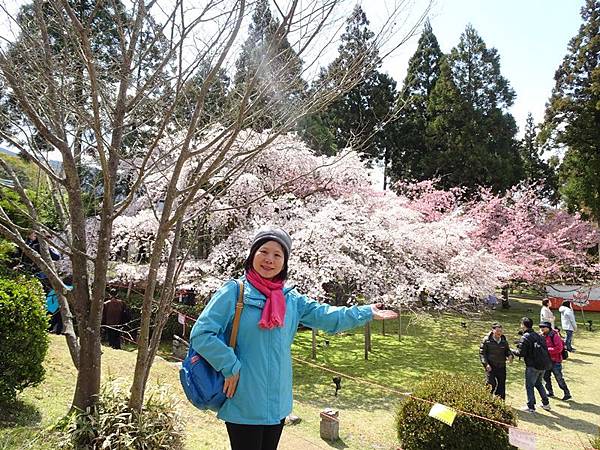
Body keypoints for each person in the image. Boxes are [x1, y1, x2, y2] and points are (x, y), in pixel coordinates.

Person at [190, 228, 398, 450]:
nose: (269, 259)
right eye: (264, 251)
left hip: (278, 403)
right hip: (244, 398)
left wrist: (365, 312)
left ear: (284, 262)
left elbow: (328, 316)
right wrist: (230, 366)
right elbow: (202, 334)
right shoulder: (234, 292)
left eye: (277, 255)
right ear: (252, 255)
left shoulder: (291, 300)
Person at [512, 317, 551, 413]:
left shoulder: (525, 337)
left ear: (523, 325)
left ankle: (531, 406)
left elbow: (521, 353)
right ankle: (546, 404)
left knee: (529, 385)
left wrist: (511, 350)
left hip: (532, 365)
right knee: (538, 383)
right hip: (542, 364)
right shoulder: (538, 335)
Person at [479, 322, 513, 400]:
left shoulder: (503, 340)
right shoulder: (486, 340)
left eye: (500, 331)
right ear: (493, 330)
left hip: (501, 366)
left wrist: (510, 355)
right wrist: (486, 364)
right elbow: (482, 353)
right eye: (497, 331)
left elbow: (507, 350)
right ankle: (486, 399)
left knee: (501, 385)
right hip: (490, 366)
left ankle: (500, 402)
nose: (499, 333)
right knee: (491, 384)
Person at [539, 321, 572, 401]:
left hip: (555, 361)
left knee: (559, 378)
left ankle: (566, 393)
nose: (542, 329)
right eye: (541, 327)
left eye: (544, 327)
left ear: (548, 328)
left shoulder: (555, 336)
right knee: (546, 377)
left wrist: (547, 350)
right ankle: (550, 391)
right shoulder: (541, 336)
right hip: (546, 361)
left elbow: (559, 348)